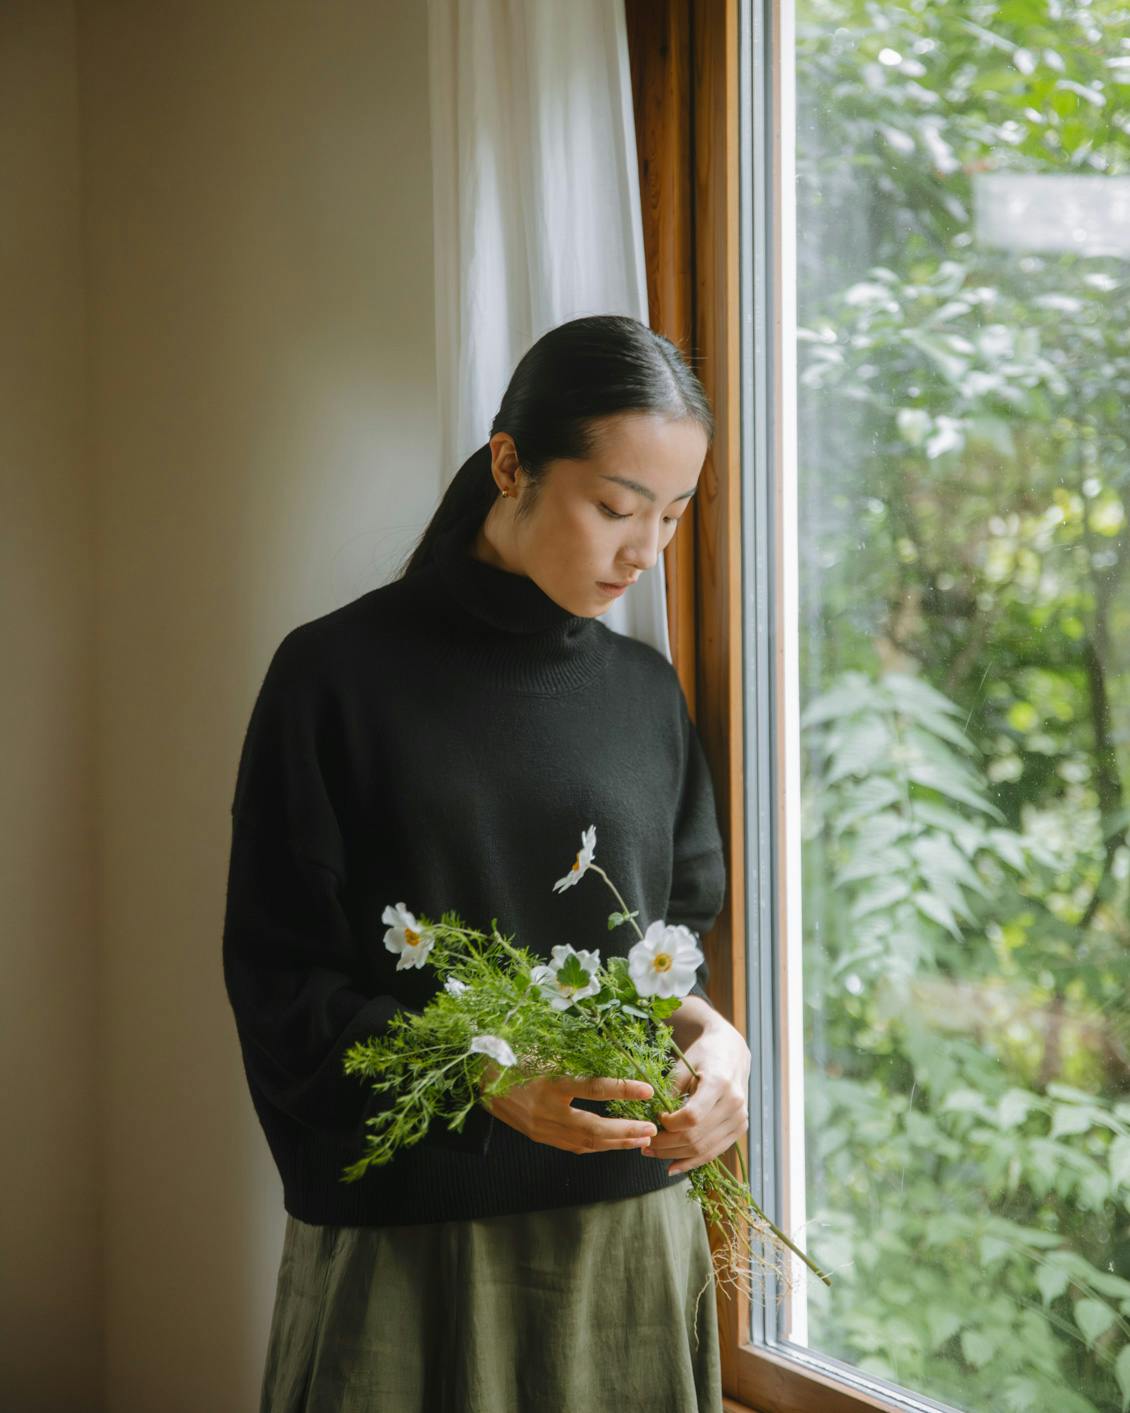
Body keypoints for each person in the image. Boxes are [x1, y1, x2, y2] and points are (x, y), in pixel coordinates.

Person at [222, 313, 752, 1412]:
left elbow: (663, 955)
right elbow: (279, 985)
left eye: (671, 514)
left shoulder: (644, 692)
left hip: (629, 1243)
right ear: (510, 464)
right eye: (615, 508)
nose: (644, 552)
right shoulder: (334, 678)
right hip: (414, 1250)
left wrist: (721, 1048)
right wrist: (488, 1075)